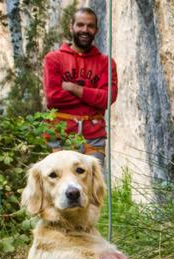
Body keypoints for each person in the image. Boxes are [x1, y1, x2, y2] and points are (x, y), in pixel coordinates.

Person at [42, 7, 118, 166]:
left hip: (93, 138)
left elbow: (107, 99)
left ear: (96, 30)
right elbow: (53, 97)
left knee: (93, 189)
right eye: (80, 25)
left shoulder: (106, 63)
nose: (85, 30)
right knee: (62, 189)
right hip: (61, 137)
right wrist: (92, 97)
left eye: (90, 26)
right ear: (72, 27)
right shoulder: (54, 59)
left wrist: (74, 89)